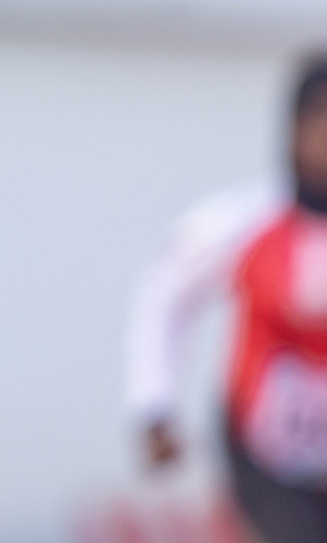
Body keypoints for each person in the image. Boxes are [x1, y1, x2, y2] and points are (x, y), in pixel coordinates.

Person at [126, 55, 327, 542]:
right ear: (295, 131)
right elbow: (163, 296)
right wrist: (153, 405)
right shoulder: (244, 221)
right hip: (265, 456)